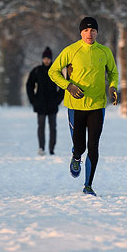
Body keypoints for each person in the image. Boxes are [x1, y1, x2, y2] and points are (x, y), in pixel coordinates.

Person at [48, 16, 119, 196]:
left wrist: (112, 87)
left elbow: (113, 72)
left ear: (97, 32)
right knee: (80, 146)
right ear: (81, 32)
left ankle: (88, 185)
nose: (90, 33)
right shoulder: (71, 50)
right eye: (86, 30)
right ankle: (76, 155)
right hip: (75, 106)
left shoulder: (104, 52)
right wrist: (68, 86)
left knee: (93, 145)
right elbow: (53, 71)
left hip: (97, 106)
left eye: (93, 30)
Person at [26, 47, 65, 156]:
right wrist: (33, 100)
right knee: (41, 126)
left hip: (52, 104)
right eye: (45, 58)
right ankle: (41, 148)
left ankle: (52, 149)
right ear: (42, 59)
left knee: (53, 127)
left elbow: (63, 86)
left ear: (51, 59)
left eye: (48, 58)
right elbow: (29, 85)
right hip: (40, 104)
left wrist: (58, 100)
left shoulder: (56, 71)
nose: (46, 60)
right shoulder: (37, 70)